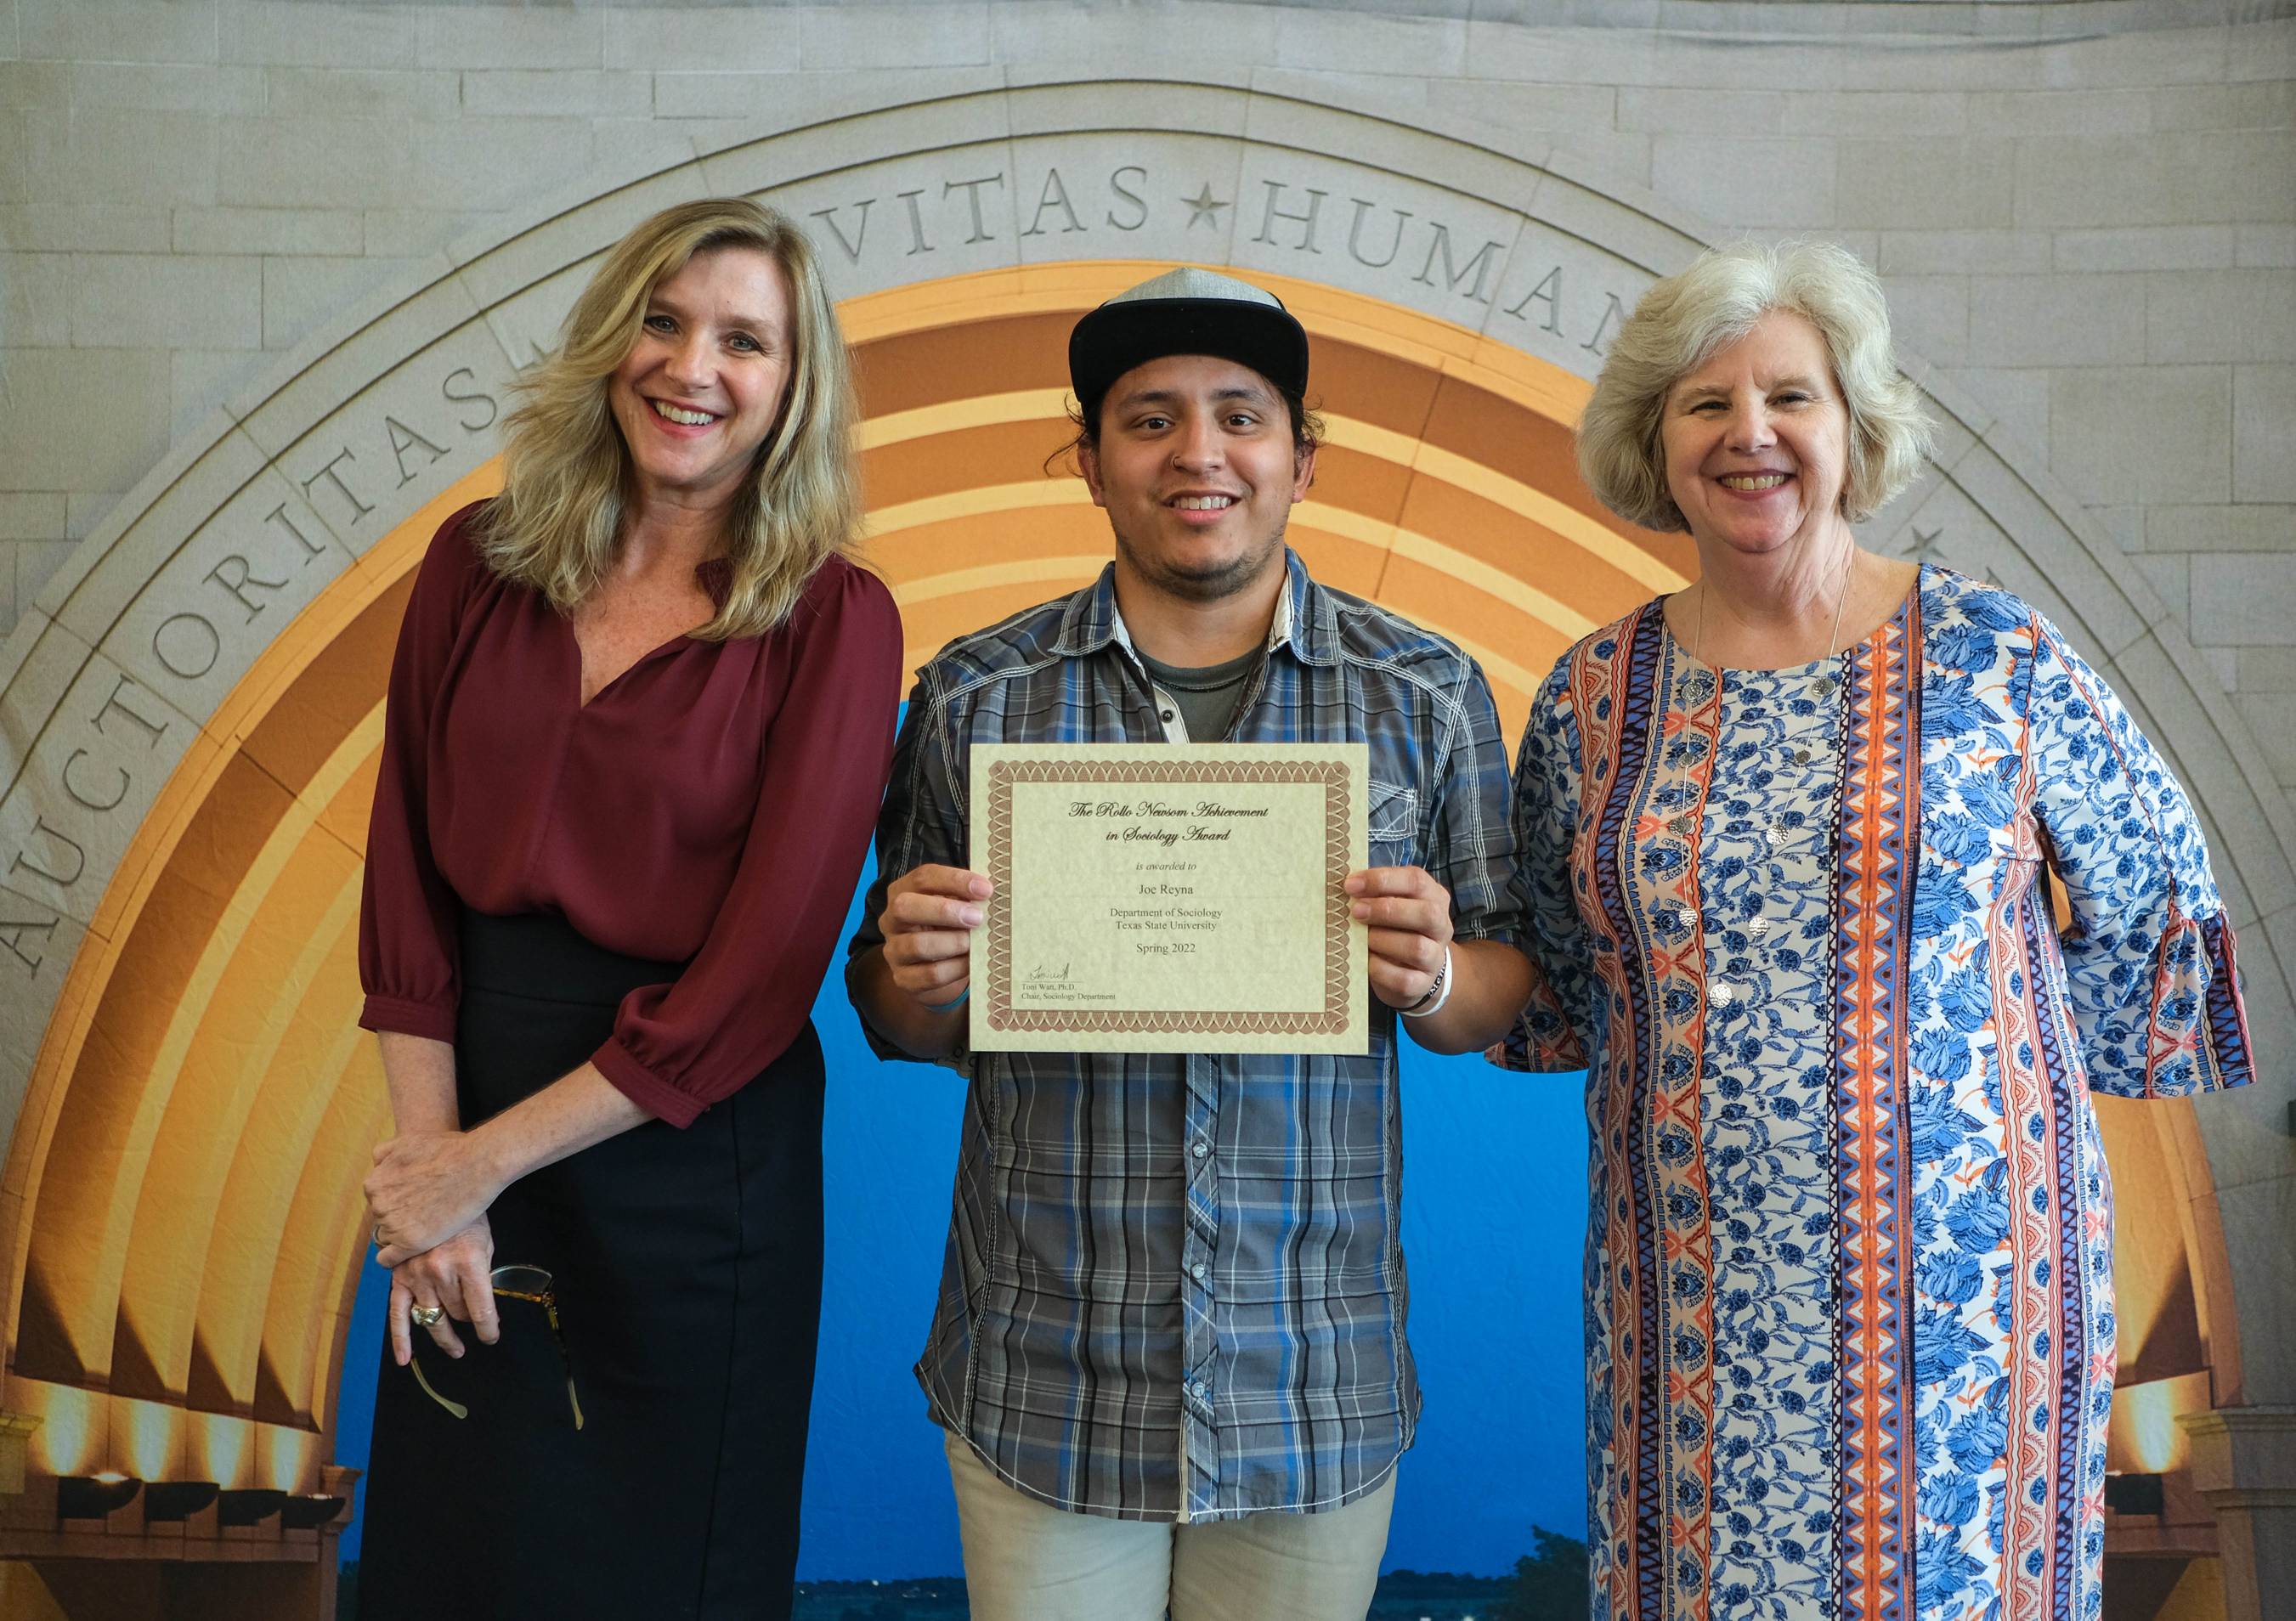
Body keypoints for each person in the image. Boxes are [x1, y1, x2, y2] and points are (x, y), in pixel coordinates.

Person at [1497, 240, 2254, 1621]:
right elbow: (1560, 972)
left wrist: (1989, 1080)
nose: (1750, 435)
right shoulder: (1591, 694)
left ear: (1852, 426)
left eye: (1789, 396)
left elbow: (2153, 893)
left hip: (1968, 1301)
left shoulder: (1993, 654)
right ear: (1649, 443)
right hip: (1689, 1303)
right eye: (1703, 402)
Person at [845, 266, 1535, 1621]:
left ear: (1301, 459)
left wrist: (1438, 972)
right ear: (1089, 462)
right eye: (1148, 420)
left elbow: (1501, 991)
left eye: (1240, 415)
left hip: (1311, 1371)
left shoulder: (1423, 692)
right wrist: (917, 978)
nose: (1198, 452)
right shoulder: (978, 694)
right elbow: (893, 1015)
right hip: (1042, 1368)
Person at [354, 197, 902, 1621]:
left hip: (693, 1160)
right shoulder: (471, 565)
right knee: (454, 1554)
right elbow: (404, 895)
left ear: (793, 388)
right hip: (465, 1121)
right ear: (610, 343)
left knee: (658, 1569)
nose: (692, 366)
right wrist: (434, 1177)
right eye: (663, 322)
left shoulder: (836, 619)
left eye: (744, 341)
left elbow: (764, 972)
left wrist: (481, 1164)